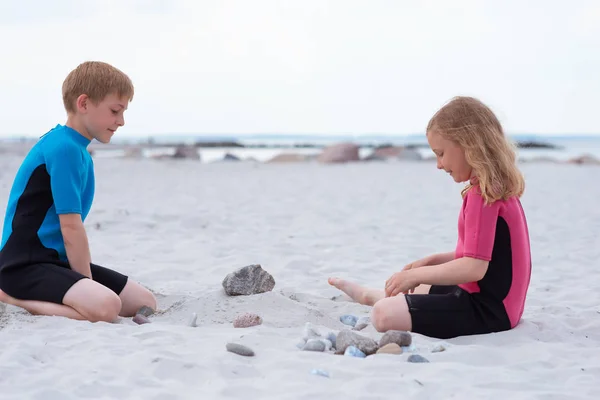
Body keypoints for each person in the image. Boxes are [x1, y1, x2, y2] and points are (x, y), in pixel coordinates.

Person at [328, 96, 531, 339]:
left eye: (441, 153)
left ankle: (376, 300)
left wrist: (414, 274)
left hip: (487, 310)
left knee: (384, 314)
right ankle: (369, 295)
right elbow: (491, 256)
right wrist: (435, 260)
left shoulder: (482, 194)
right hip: (504, 305)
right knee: (421, 288)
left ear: (469, 145)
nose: (438, 164)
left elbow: (475, 267)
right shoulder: (499, 189)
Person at [0, 61, 157, 323]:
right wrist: (87, 285)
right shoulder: (63, 148)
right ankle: (8, 296)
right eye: (115, 111)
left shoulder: (79, 150)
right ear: (83, 104)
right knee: (106, 307)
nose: (121, 121)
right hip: (23, 264)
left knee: (145, 302)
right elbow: (71, 228)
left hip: (55, 261)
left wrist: (82, 283)